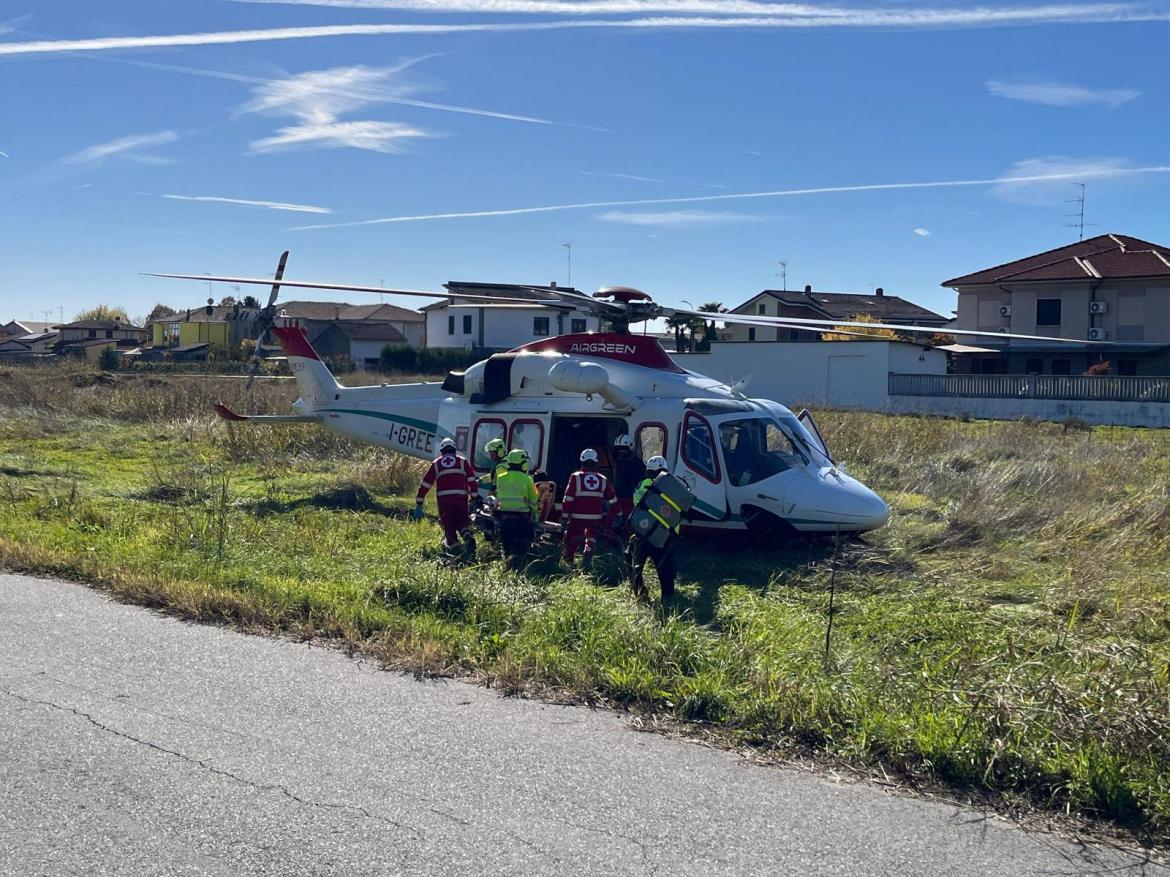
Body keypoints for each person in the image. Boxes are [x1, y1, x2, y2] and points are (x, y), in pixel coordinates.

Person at [414, 437, 478, 557]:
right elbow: (472, 480)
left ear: (442, 451)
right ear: (454, 449)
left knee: (449, 525)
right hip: (461, 499)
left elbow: (426, 484)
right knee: (462, 521)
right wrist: (474, 497)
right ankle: (467, 537)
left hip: (445, 501)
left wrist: (419, 502)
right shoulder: (463, 461)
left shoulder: (436, 463)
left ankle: (454, 549)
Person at [628, 455, 680, 601]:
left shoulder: (643, 484)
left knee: (635, 564)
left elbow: (636, 502)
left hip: (643, 531)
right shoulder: (674, 485)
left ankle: (640, 592)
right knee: (665, 566)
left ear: (649, 471)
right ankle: (667, 595)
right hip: (666, 533)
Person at [561, 448, 616, 564]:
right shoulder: (603, 479)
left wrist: (565, 518)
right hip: (596, 518)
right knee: (592, 534)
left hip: (577, 518)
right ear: (596, 462)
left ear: (581, 461)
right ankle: (589, 549)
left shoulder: (575, 477)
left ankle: (568, 560)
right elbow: (612, 499)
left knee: (570, 537)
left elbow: (568, 499)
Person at [495, 448, 539, 561]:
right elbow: (534, 499)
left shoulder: (500, 478)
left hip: (504, 519)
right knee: (528, 538)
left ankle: (508, 568)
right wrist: (535, 514)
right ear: (523, 464)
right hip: (522, 519)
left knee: (507, 549)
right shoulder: (527, 479)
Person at [611, 434, 645, 528]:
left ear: (630, 448)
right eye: (619, 449)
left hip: (631, 500)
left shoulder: (638, 464)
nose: (621, 452)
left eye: (623, 449)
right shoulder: (617, 463)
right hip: (617, 499)